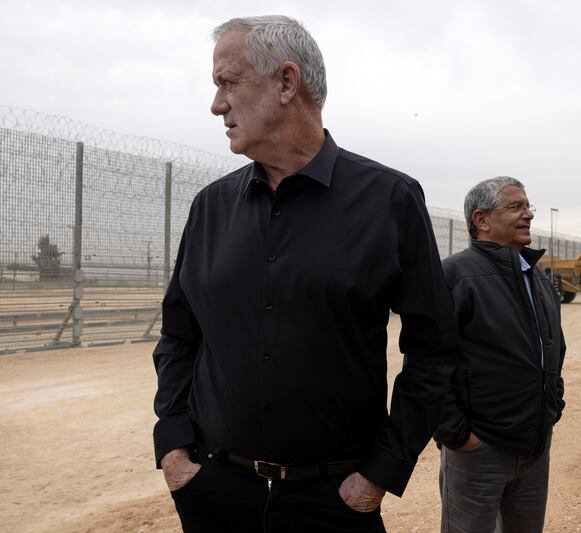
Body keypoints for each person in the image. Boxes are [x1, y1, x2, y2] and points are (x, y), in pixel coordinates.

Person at [152, 15, 459, 533]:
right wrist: (175, 454)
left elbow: (434, 351)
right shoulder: (210, 208)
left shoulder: (390, 201)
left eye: (228, 82)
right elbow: (180, 337)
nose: (217, 104)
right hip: (216, 493)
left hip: (334, 503)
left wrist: (377, 476)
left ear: (287, 83)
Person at [435, 177, 566, 533]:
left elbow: (555, 350)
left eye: (528, 207)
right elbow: (430, 365)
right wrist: (459, 436)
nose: (528, 214)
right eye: (516, 207)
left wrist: (552, 409)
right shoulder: (454, 275)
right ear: (482, 219)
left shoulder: (537, 277)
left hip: (535, 447)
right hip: (479, 452)